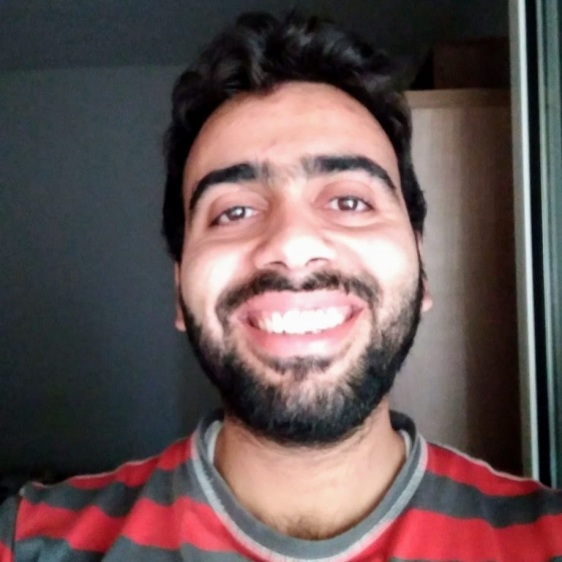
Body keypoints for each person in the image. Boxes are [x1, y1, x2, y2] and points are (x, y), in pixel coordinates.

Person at [1, 11, 561, 562]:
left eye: (350, 201)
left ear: (422, 269)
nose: (292, 244)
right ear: (179, 290)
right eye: (235, 211)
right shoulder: (31, 542)